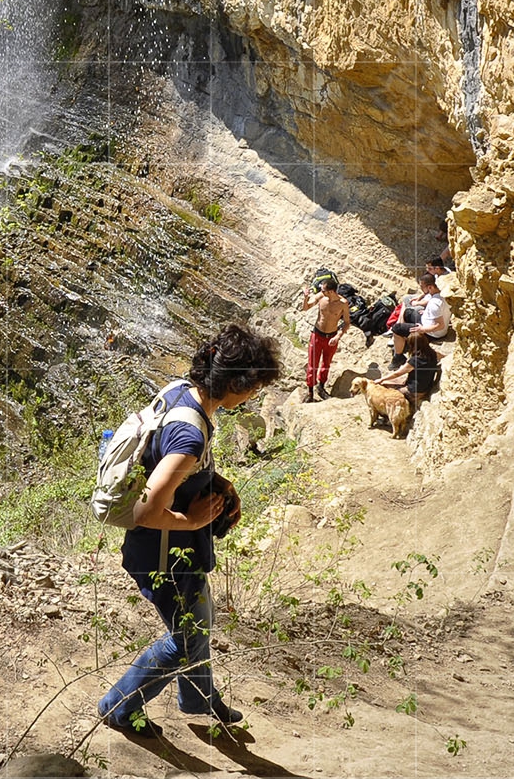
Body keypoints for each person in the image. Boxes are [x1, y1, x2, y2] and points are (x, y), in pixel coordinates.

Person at [97, 323, 282, 741]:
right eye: (254, 386)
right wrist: (195, 521)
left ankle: (198, 699)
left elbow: (178, 470)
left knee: (198, 622)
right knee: (186, 638)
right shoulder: (190, 433)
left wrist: (218, 484)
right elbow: (146, 510)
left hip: (173, 550)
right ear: (237, 383)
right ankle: (118, 708)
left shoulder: (185, 390)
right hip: (165, 555)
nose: (255, 395)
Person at [301, 275, 350, 400]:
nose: (321, 292)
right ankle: (310, 391)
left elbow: (347, 322)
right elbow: (306, 308)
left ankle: (321, 387)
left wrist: (339, 335)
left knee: (326, 363)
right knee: (313, 363)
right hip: (317, 334)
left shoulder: (343, 303)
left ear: (331, 291)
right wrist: (305, 297)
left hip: (331, 336)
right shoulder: (321, 297)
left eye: (323, 290)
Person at [391, 271, 451, 361]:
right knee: (407, 313)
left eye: (422, 287)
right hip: (426, 322)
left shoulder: (435, 303)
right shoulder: (443, 295)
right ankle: (407, 341)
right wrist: (427, 312)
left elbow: (440, 325)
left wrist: (422, 329)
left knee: (396, 328)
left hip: (431, 333)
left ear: (430, 287)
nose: (421, 289)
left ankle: (398, 357)